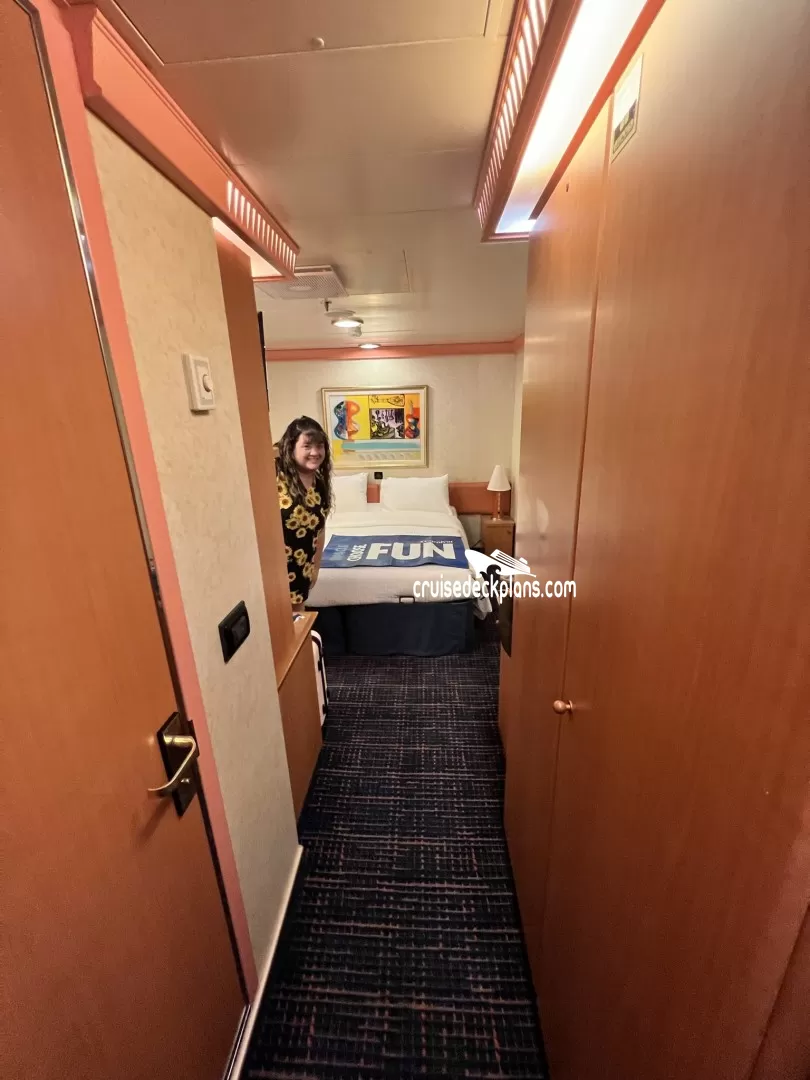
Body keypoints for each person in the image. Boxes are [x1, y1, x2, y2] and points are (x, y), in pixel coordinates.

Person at [275, 416, 333, 611]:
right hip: (273, 573)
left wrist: (315, 568)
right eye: (307, 446)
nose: (315, 452)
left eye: (320, 446)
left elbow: (320, 529)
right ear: (291, 447)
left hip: (301, 571)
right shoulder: (275, 475)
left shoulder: (319, 483)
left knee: (298, 624)